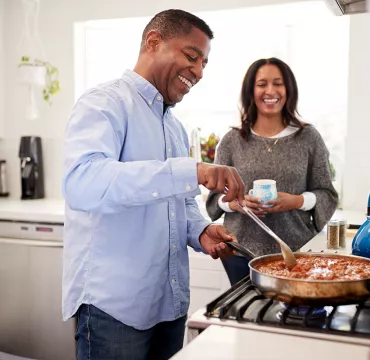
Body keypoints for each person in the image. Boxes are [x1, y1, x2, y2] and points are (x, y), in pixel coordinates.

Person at [62, 9, 245, 360]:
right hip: (115, 309)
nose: (199, 71)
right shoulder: (104, 103)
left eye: (204, 63)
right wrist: (191, 171)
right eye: (192, 56)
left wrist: (201, 231)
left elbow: (181, 202)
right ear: (153, 42)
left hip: (169, 304)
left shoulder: (173, 126)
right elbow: (83, 183)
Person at [206, 57, 338, 286]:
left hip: (296, 253)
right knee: (246, 316)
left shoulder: (309, 138)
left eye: (278, 83)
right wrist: (239, 204)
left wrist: (295, 201)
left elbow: (327, 194)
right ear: (251, 90)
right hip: (240, 253)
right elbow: (215, 200)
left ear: (289, 89)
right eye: (261, 84)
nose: (270, 91)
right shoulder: (231, 141)